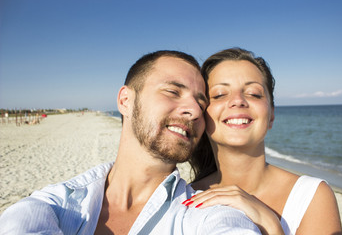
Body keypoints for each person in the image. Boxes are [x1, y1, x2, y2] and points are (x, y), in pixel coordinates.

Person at [0, 50, 261, 235]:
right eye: (172, 91)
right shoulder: (53, 205)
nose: (194, 110)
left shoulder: (207, 214)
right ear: (125, 101)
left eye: (201, 102)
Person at [184, 48, 342, 235]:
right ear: (201, 115)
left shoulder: (311, 196)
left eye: (253, 93)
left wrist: (268, 222)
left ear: (272, 115)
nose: (238, 101)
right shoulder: (186, 197)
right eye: (219, 94)